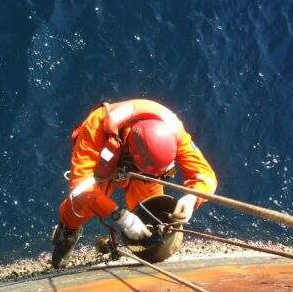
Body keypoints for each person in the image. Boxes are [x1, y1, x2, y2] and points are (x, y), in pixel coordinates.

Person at [51, 99, 218, 268]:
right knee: (79, 207)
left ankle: (148, 244)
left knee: (150, 209)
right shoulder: (97, 125)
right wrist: (120, 216)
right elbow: (80, 186)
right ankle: (68, 232)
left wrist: (192, 198)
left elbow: (206, 175)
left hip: (144, 173)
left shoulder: (174, 132)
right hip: (103, 167)